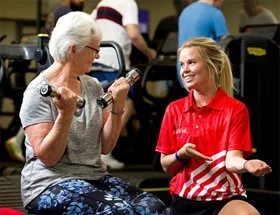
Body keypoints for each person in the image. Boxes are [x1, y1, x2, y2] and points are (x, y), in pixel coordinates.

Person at [19, 11, 167, 214]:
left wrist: (118, 105)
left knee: (153, 207)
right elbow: (49, 158)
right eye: (94, 49)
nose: (98, 55)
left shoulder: (93, 86)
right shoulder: (37, 92)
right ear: (73, 49)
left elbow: (105, 146)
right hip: (48, 183)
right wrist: (65, 114)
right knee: (118, 212)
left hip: (94, 177)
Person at [155, 37, 272, 215]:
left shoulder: (235, 109)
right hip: (185, 201)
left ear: (214, 66)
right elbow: (167, 167)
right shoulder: (174, 110)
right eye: (182, 64)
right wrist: (181, 154)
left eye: (191, 62)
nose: (184, 70)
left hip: (224, 199)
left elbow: (232, 160)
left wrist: (247, 164)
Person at [4, 0, 86, 163]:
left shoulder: (57, 11)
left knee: (47, 109)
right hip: (57, 64)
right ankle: (21, 140)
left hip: (50, 63)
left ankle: (18, 139)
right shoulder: (66, 12)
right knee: (52, 107)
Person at [90, 0, 157, 170]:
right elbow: (134, 34)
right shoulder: (128, 2)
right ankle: (104, 154)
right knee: (127, 102)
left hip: (96, 59)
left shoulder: (101, 4)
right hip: (114, 60)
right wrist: (150, 53)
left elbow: (90, 27)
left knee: (103, 105)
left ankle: (96, 151)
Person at [177, 0, 229, 88]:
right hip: (202, 75)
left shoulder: (185, 12)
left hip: (182, 74)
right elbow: (227, 44)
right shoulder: (215, 13)